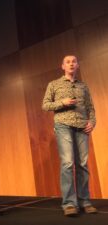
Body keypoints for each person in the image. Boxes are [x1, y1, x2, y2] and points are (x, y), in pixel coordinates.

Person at [42, 55, 97, 216]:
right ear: (63, 66)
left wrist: (92, 122)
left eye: (74, 61)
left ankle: (85, 201)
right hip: (63, 125)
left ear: (77, 65)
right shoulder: (54, 84)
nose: (71, 63)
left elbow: (90, 108)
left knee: (83, 164)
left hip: (82, 126)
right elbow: (45, 105)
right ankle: (69, 204)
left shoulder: (83, 86)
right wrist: (62, 102)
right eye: (68, 62)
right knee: (67, 163)